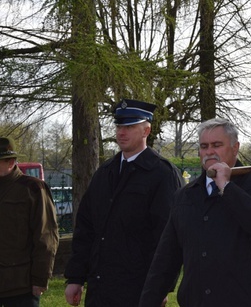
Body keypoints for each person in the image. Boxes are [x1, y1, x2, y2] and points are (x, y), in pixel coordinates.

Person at [139, 117, 251, 307]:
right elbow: (166, 258)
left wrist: (227, 187)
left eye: (217, 145)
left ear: (235, 147)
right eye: (204, 146)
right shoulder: (185, 196)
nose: (209, 152)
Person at [64, 99, 183, 307]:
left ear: (146, 130)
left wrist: (161, 286)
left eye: (129, 126)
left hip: (139, 290)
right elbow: (86, 228)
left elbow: (168, 237)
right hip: (100, 289)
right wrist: (75, 277)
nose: (121, 132)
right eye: (119, 126)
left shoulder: (162, 174)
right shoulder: (105, 172)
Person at [0, 137, 59, 307]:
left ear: (10, 162)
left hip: (21, 286)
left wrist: (40, 278)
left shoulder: (33, 189)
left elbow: (46, 236)